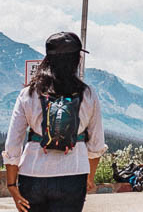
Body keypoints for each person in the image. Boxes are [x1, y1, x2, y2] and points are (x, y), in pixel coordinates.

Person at [4, 32, 107, 212]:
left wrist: (12, 185)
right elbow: (96, 143)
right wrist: (89, 177)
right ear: (76, 60)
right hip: (73, 174)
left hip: (33, 173)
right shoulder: (88, 94)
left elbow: (13, 143)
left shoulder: (28, 94)